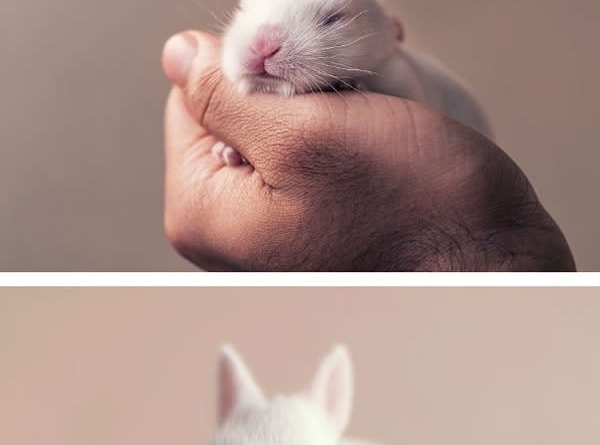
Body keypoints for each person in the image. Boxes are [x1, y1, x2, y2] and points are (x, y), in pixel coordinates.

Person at [162, 32, 575, 278]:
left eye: (329, 20)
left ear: (390, 33)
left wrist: (455, 243)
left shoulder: (404, 80)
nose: (265, 47)